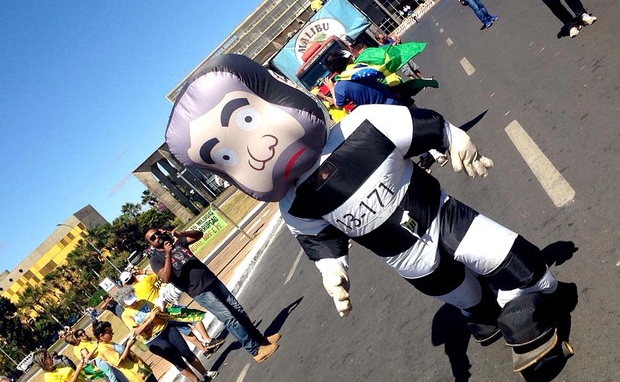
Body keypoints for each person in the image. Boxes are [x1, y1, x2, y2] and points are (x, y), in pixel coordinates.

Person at [164, 53, 576, 378]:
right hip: (406, 259)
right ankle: (482, 315)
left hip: (442, 217)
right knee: (460, 294)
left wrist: (454, 138)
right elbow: (320, 242)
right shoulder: (293, 204)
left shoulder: (361, 128)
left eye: (247, 119)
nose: (255, 151)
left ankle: (536, 294)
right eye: (227, 155)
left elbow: (423, 127)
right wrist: (331, 271)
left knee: (505, 256)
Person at [145, 228, 280, 363]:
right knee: (229, 318)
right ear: (150, 243)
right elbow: (166, 277)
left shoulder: (176, 241)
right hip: (199, 291)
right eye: (153, 238)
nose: (157, 237)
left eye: (157, 233)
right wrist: (168, 254)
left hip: (211, 280)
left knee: (238, 310)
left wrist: (182, 234)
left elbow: (199, 235)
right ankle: (255, 350)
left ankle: (260, 340)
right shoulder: (155, 259)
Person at [117, 287, 215, 382]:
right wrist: (150, 318)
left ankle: (205, 373)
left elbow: (158, 312)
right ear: (124, 303)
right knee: (177, 361)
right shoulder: (126, 315)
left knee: (186, 351)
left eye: (133, 299)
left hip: (166, 329)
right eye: (130, 302)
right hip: (154, 340)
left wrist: (162, 307)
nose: (134, 302)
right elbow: (137, 331)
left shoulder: (144, 302)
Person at [119, 270, 225, 358]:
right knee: (194, 316)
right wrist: (143, 272)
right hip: (167, 309)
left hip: (158, 318)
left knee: (184, 329)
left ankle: (204, 350)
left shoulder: (130, 296)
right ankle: (208, 340)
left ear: (124, 284)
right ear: (133, 276)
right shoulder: (145, 282)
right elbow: (159, 274)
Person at [92, 321, 165, 382]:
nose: (112, 333)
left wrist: (130, 340)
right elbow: (120, 362)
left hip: (141, 369)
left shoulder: (109, 343)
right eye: (110, 332)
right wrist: (128, 346)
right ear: (101, 336)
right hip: (137, 375)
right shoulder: (104, 349)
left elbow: (122, 352)